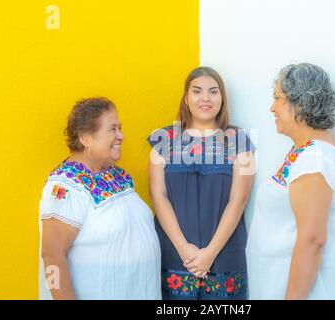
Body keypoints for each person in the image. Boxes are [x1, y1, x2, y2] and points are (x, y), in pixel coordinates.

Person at [246, 63, 335, 299]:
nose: (271, 108)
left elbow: (312, 240)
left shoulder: (316, 158)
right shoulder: (308, 152)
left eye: (278, 98)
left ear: (301, 102)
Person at [147, 67, 256, 300]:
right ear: (186, 98)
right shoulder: (163, 140)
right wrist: (184, 248)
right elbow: (158, 195)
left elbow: (239, 200)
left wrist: (210, 253)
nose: (205, 98)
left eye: (213, 92)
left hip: (224, 254)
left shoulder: (240, 141)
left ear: (222, 99)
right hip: (175, 254)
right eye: (197, 91)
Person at [39, 97, 161, 299]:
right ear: (85, 138)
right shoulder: (65, 187)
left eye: (120, 128)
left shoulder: (118, 175)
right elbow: (52, 255)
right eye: (112, 129)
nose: (121, 135)